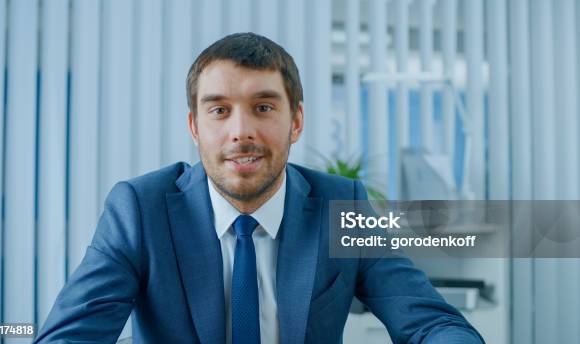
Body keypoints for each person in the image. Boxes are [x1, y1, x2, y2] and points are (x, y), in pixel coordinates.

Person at [34, 32, 484, 344]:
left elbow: (428, 322)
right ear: (194, 126)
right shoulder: (140, 209)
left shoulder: (340, 204)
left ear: (296, 121)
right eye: (219, 111)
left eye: (263, 106)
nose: (241, 131)